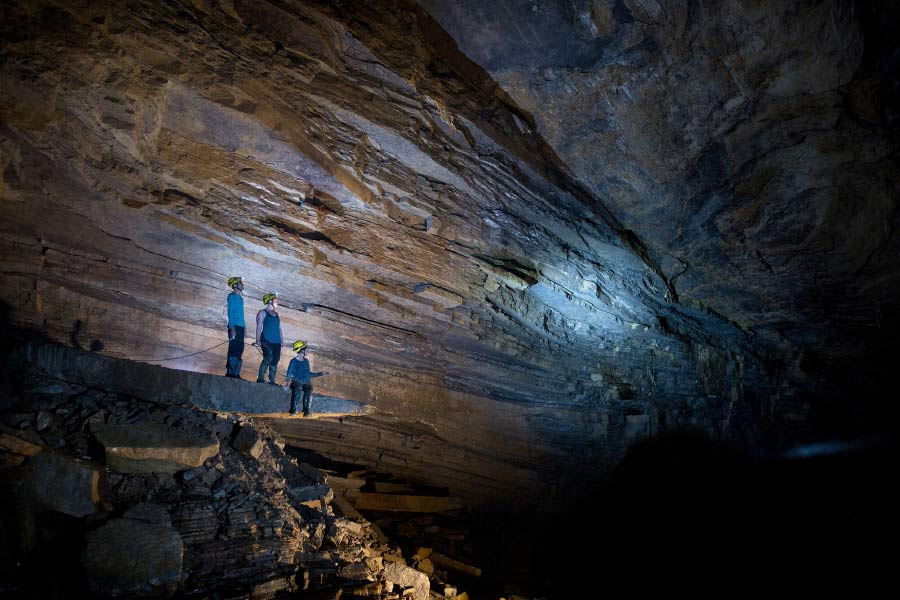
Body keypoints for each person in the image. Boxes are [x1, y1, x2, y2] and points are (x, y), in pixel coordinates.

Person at [284, 340, 328, 416]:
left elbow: (308, 374)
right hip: (297, 381)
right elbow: (289, 373)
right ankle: (293, 410)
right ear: (301, 351)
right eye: (305, 349)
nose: (307, 351)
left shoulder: (306, 361)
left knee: (308, 388)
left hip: (305, 382)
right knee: (297, 388)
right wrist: (287, 384)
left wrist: (320, 374)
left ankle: (306, 410)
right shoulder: (293, 361)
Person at [255, 292, 283, 384]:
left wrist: (282, 340)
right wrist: (258, 340)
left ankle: (272, 380)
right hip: (266, 339)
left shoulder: (276, 314)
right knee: (268, 357)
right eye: (275, 300)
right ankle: (260, 378)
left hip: (276, 341)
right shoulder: (263, 312)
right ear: (269, 301)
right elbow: (259, 326)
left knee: (275, 360)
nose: (277, 302)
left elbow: (279, 328)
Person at [225, 276, 245, 378]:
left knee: (240, 349)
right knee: (233, 348)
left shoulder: (241, 299)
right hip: (234, 327)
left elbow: (241, 314)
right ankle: (230, 372)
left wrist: (244, 328)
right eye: (240, 283)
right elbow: (230, 313)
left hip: (240, 327)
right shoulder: (231, 296)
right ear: (235, 285)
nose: (242, 284)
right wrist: (232, 327)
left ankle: (236, 373)